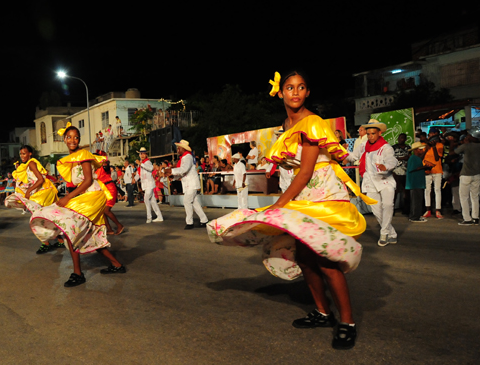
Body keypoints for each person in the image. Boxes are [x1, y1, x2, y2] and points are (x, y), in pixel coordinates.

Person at [208, 71, 376, 350]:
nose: (295, 92)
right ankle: (323, 313)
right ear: (281, 93)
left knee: (326, 261)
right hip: (303, 196)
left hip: (323, 198)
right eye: (289, 87)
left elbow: (307, 171)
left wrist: (279, 204)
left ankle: (347, 322)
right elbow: (293, 169)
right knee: (306, 258)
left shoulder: (312, 122)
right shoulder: (286, 124)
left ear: (307, 92)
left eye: (300, 87)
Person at [29, 125, 125, 287]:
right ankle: (116, 265)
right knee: (88, 234)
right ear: (64, 139)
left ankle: (77, 273)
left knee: (70, 229)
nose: (72, 140)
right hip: (86, 196)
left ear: (79, 139)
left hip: (93, 196)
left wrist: (68, 197)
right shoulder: (72, 157)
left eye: (76, 137)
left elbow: (88, 180)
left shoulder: (83, 155)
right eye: (69, 137)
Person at [5, 145, 65, 252]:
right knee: (46, 217)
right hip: (42, 192)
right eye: (21, 154)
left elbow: (40, 179)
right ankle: (60, 241)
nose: (22, 156)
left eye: (24, 153)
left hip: (44, 193)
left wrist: (28, 191)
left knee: (38, 218)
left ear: (30, 154)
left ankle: (46, 243)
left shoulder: (31, 163)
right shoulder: (28, 165)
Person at [353, 119, 398, 247]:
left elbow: (392, 160)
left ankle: (384, 233)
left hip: (385, 180)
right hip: (369, 182)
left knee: (388, 205)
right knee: (377, 210)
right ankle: (392, 233)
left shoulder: (386, 147)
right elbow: (353, 156)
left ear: (379, 133)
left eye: (373, 133)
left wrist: (386, 166)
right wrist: (340, 154)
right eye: (368, 134)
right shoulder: (363, 146)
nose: (370, 136)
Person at [166, 140, 208, 229]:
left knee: (187, 201)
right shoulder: (185, 157)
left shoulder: (187, 157)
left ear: (183, 149)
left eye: (179, 148)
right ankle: (204, 220)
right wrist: (174, 177)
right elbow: (183, 172)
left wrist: (171, 171)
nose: (177, 149)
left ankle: (190, 222)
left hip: (191, 183)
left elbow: (184, 169)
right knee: (194, 203)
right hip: (190, 183)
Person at [455, 126, 480, 225]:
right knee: (475, 197)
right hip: (477, 174)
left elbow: (455, 152)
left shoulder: (466, 146)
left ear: (472, 136)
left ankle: (467, 218)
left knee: (464, 197)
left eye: (469, 135)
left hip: (466, 174)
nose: (467, 136)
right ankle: (475, 217)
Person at [97, 154, 126, 234]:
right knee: (102, 211)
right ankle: (109, 229)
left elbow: (106, 165)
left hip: (110, 188)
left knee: (106, 210)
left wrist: (104, 161)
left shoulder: (103, 166)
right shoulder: (95, 168)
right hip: (104, 189)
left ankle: (119, 225)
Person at [135, 147, 163, 224]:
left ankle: (149, 217)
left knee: (146, 199)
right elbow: (139, 173)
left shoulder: (147, 162)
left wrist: (140, 164)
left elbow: (150, 168)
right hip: (145, 185)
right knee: (153, 201)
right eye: (141, 154)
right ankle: (159, 216)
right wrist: (135, 179)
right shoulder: (141, 163)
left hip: (149, 184)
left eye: (143, 153)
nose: (142, 155)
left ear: (146, 154)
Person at [422, 129, 444, 219]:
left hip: (437, 171)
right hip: (427, 171)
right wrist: (427, 148)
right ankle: (428, 210)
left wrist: (434, 147)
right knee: (427, 190)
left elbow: (436, 158)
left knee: (437, 190)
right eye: (430, 134)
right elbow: (421, 157)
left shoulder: (439, 145)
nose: (430, 136)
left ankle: (438, 210)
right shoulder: (424, 146)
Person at [406, 142, 428, 222]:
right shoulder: (413, 158)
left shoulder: (416, 158)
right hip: (415, 183)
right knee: (416, 201)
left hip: (418, 183)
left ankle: (416, 216)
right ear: (416, 150)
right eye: (420, 149)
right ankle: (414, 217)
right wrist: (424, 167)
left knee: (417, 200)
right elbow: (412, 168)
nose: (422, 150)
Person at [392, 133, 411, 214]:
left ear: (405, 139)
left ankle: (406, 209)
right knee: (395, 191)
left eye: (402, 138)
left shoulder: (408, 148)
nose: (400, 139)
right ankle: (391, 209)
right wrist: (403, 158)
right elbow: (391, 158)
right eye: (399, 138)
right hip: (396, 171)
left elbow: (410, 157)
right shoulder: (393, 148)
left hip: (406, 171)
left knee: (406, 191)